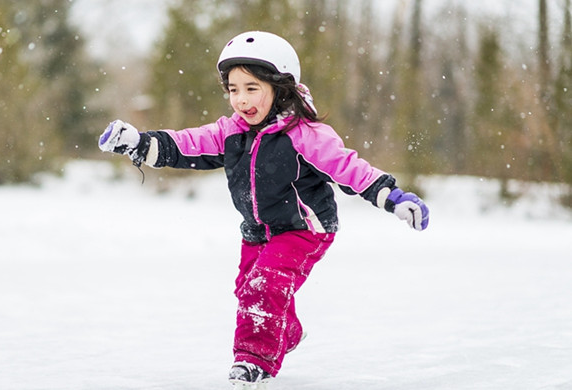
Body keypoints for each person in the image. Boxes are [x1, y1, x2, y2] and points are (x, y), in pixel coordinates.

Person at [98, 31, 429, 388]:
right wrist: (140, 143)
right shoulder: (230, 132)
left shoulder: (306, 135)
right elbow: (186, 144)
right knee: (247, 288)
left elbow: (350, 169)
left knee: (263, 286)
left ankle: (253, 362)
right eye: (234, 89)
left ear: (280, 87)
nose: (241, 99)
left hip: (304, 228)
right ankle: (284, 331)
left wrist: (393, 197)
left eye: (251, 88)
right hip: (258, 231)